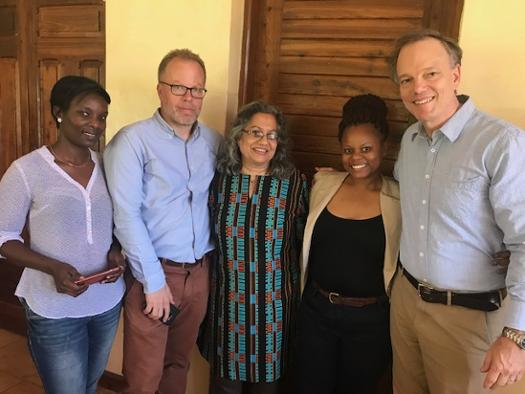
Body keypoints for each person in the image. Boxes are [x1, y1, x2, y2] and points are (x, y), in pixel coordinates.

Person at [389, 29, 525, 393]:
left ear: (456, 74)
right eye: (406, 79)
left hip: (468, 316)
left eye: (430, 73)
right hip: (406, 301)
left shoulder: (501, 143)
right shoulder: (410, 140)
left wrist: (517, 335)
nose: (418, 87)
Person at [103, 49, 221, 394]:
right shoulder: (132, 141)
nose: (189, 98)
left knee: (178, 365)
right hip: (153, 273)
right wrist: (153, 281)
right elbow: (125, 215)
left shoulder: (214, 142)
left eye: (197, 89)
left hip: (199, 272)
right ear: (159, 90)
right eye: (179, 87)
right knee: (144, 378)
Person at [0, 75, 125, 394]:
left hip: (106, 303)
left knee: (89, 386)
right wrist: (52, 267)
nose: (95, 124)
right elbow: (4, 237)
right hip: (53, 309)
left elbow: (114, 222)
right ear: (59, 113)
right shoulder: (26, 171)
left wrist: (115, 249)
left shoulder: (107, 165)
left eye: (101, 116)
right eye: (84, 113)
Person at [293, 94, 401, 394]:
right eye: (348, 150)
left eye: (366, 149)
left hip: (370, 321)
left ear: (384, 148)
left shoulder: (400, 198)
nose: (357, 157)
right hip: (316, 311)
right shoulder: (324, 185)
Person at [199, 101, 308, 394]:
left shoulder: (294, 184)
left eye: (272, 135)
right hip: (227, 304)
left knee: (266, 388)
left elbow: (304, 244)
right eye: (256, 132)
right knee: (225, 386)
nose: (264, 141)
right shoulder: (219, 182)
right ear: (239, 136)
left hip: (273, 308)